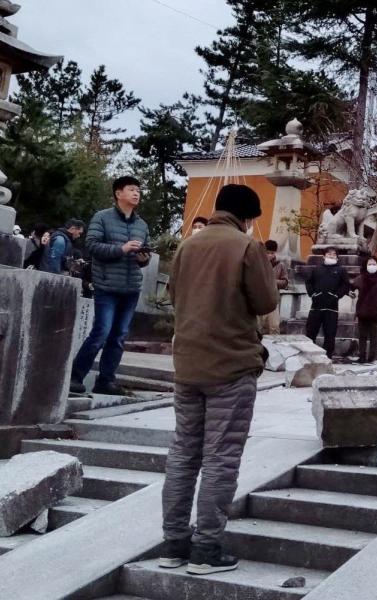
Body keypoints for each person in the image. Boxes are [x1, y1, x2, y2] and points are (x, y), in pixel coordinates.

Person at [160, 184, 278, 576]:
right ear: (246, 217)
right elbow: (266, 302)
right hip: (230, 365)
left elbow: (175, 297)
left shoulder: (187, 246)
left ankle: (174, 543)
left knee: (183, 454)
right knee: (220, 458)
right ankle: (206, 548)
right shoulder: (247, 247)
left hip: (188, 366)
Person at [69, 177, 151, 397]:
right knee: (101, 332)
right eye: (131, 189)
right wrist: (122, 249)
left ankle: (106, 380)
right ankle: (75, 377)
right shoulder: (102, 217)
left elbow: (146, 257)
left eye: (138, 190)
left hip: (131, 287)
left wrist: (143, 258)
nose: (136, 193)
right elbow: (92, 246)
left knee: (119, 336)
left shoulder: (141, 224)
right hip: (106, 285)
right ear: (118, 193)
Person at [305, 247, 350, 357]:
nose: (331, 256)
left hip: (331, 307)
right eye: (329, 254)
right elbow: (308, 282)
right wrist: (313, 294)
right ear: (324, 256)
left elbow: (345, 285)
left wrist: (337, 295)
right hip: (316, 306)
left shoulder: (341, 270)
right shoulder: (317, 269)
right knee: (310, 332)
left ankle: (327, 356)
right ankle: (309, 354)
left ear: (337, 258)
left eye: (334, 255)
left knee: (330, 334)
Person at [353, 255, 377, 363]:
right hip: (362, 311)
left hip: (375, 312)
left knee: (374, 336)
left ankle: (371, 357)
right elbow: (351, 286)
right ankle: (362, 356)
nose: (371, 266)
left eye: (374, 264)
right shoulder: (361, 278)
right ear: (365, 266)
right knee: (362, 336)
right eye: (369, 264)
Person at [258, 240, 288, 335]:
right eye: (267, 253)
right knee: (259, 327)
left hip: (272, 300)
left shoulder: (280, 265)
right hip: (258, 299)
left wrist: (272, 281)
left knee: (274, 327)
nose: (270, 255)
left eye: (272, 253)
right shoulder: (258, 264)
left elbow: (285, 282)